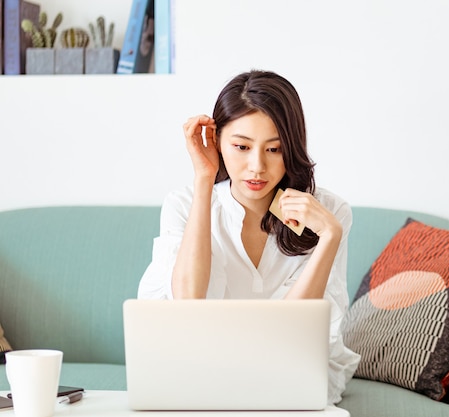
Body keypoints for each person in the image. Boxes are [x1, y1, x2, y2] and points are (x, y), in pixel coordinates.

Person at [138, 70, 360, 404]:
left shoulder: (328, 213)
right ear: (216, 142)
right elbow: (186, 303)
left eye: (274, 149)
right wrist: (204, 178)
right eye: (241, 147)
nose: (256, 167)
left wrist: (329, 236)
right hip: (204, 368)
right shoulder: (184, 204)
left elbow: (296, 332)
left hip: (291, 368)